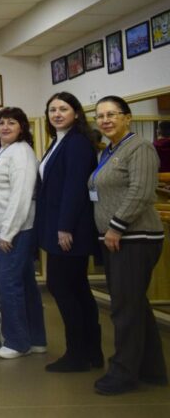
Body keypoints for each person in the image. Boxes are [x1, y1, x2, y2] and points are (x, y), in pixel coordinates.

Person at [89, 96, 167, 395]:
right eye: (100, 116)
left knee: (125, 308)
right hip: (115, 239)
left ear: (128, 117)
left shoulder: (140, 148)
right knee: (135, 305)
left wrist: (116, 227)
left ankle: (123, 373)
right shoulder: (110, 150)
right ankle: (152, 369)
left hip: (135, 238)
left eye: (112, 114)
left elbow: (142, 192)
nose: (105, 120)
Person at [36, 91, 103, 373]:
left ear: (76, 113)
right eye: (52, 110)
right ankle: (91, 352)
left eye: (63, 109)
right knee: (77, 288)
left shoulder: (77, 143)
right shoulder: (59, 141)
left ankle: (77, 354)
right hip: (59, 226)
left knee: (62, 287)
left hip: (69, 230)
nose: (57, 114)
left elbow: (74, 188)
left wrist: (64, 227)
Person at [0, 107, 47, 359]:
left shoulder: (21, 152)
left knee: (6, 281)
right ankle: (36, 339)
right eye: (1, 123)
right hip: (1, 227)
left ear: (22, 127)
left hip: (15, 230)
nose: (5, 127)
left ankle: (17, 341)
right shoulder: (3, 151)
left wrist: (8, 232)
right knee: (24, 283)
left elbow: (21, 195)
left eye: (11, 123)